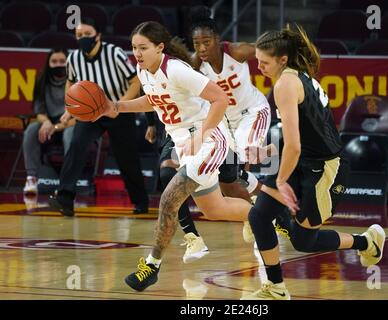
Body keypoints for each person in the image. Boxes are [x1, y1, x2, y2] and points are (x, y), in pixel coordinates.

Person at [97, 21, 254, 291]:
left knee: (169, 199)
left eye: (143, 48)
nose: (137, 53)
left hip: (207, 139)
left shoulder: (177, 70)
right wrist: (118, 106)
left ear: (160, 47)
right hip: (182, 141)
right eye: (134, 47)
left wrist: (202, 134)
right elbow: (154, 100)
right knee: (216, 209)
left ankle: (152, 265)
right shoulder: (143, 70)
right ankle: (267, 216)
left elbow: (220, 99)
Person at [241, 25, 386, 300]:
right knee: (258, 215)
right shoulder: (297, 76)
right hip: (305, 159)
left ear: (282, 60)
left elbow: (295, 145)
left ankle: (367, 242)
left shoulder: (286, 84)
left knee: (303, 241)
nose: (258, 67)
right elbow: (295, 136)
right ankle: (275, 288)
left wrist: (280, 181)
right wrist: (265, 152)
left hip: (325, 169)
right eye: (256, 61)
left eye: (264, 62)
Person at [151, 6, 273, 264]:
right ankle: (258, 209)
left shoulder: (236, 51)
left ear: (218, 40)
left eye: (206, 42)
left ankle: (266, 208)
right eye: (197, 43)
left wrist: (288, 66)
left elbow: (267, 49)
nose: (202, 48)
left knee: (242, 163)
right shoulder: (193, 63)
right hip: (222, 122)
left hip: (251, 112)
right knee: (229, 181)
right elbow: (169, 93)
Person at [48, 17, 149, 216]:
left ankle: (140, 202)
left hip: (119, 108)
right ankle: (65, 198)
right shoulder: (74, 58)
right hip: (91, 113)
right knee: (76, 145)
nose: (83, 38)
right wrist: (69, 109)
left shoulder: (114, 53)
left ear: (98, 35)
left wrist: (118, 106)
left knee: (126, 158)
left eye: (87, 34)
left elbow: (136, 82)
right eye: (79, 35)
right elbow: (71, 84)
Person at [23, 48, 75, 194]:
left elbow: (81, 118)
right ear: (48, 63)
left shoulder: (77, 81)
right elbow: (39, 111)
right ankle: (31, 178)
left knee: (70, 134)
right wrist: (46, 122)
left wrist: (57, 127)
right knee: (31, 130)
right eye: (54, 61)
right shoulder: (41, 79)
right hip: (49, 122)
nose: (58, 64)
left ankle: (68, 181)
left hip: (70, 123)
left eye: (61, 61)